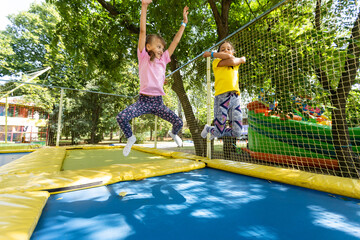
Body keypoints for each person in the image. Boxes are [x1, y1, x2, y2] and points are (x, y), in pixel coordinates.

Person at [117, 0, 188, 156]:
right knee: (121, 117)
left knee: (179, 122)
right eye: (158, 46)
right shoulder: (143, 56)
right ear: (148, 47)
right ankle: (130, 138)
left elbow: (175, 41)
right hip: (143, 101)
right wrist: (144, 6)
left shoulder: (164, 60)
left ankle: (173, 134)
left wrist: (184, 23)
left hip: (158, 102)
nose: (161, 50)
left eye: (162, 47)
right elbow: (143, 32)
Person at [201, 41, 246, 140]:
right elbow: (232, 60)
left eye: (229, 49)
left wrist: (240, 59)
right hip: (222, 98)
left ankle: (216, 131)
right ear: (219, 54)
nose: (226, 50)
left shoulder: (235, 64)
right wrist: (211, 54)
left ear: (233, 52)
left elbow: (233, 60)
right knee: (218, 133)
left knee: (238, 133)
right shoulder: (216, 62)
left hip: (235, 98)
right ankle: (210, 129)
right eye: (223, 49)